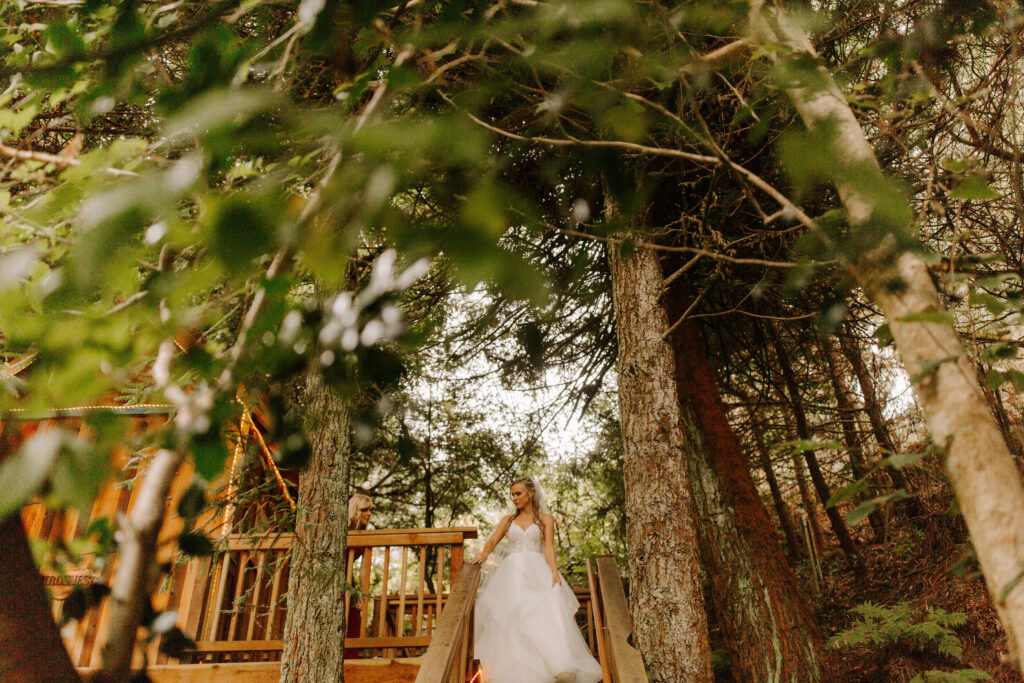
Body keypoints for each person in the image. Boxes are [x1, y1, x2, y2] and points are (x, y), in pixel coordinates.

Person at [470, 476, 602, 683]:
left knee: (541, 615)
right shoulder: (508, 520)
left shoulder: (545, 519)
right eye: (512, 494)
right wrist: (482, 555)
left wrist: (553, 571)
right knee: (513, 617)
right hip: (511, 573)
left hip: (536, 570)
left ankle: (555, 665)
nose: (514, 498)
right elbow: (493, 540)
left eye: (519, 493)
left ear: (531, 493)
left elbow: (548, 546)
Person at [344, 493, 373, 659]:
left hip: (350, 584)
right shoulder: (341, 530)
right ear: (354, 510)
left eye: (370, 510)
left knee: (354, 619)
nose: (369, 513)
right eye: (364, 510)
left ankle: (349, 662)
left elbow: (364, 569)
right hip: (333, 581)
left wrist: (363, 594)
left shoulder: (365, 536)